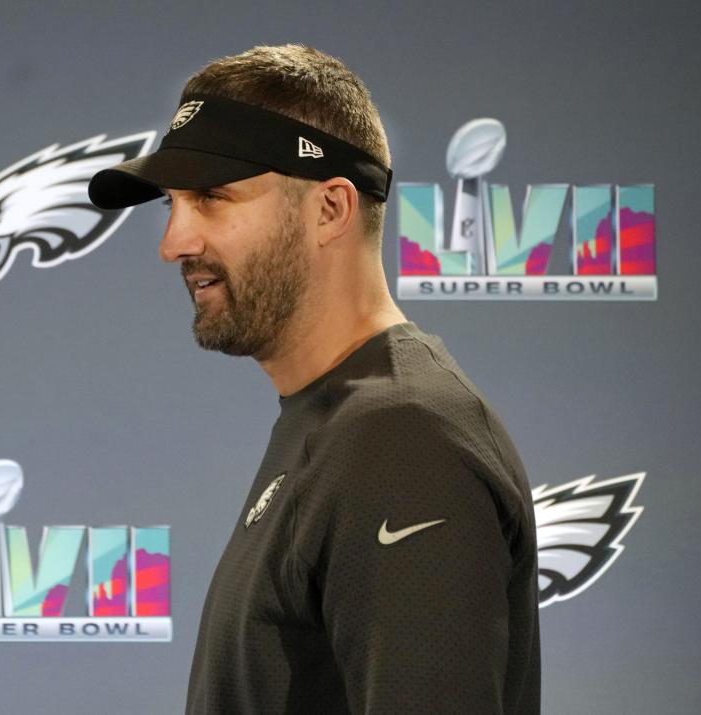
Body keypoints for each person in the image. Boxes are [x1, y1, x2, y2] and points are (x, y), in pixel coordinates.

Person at [89, 44, 540, 715]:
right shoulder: (340, 421)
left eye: (212, 197)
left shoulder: (403, 440)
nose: (174, 241)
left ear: (330, 209)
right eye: (173, 204)